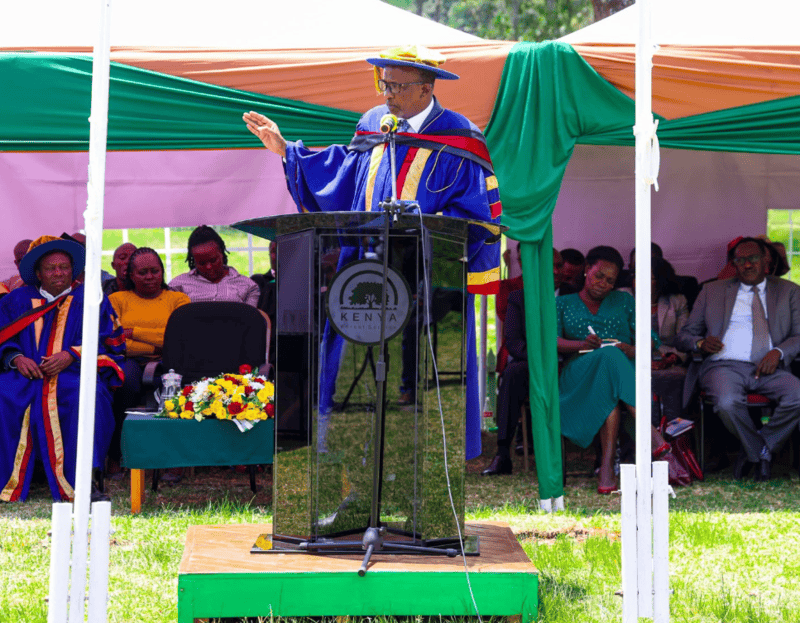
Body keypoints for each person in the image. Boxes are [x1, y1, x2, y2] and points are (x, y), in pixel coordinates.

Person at [243, 45, 501, 458]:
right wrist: (287, 151)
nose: (387, 94)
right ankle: (352, 468)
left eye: (397, 85)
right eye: (383, 83)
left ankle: (421, 465)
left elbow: (475, 217)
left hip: (429, 287)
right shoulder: (373, 123)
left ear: (426, 88)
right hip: (361, 280)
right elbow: (343, 176)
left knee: (418, 381)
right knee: (350, 375)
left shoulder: (461, 137)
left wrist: (416, 226)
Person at [0, 235, 124, 502]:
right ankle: (7, 480)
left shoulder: (92, 300)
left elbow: (111, 344)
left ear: (74, 269)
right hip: (23, 375)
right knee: (3, 394)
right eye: (50, 268)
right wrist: (17, 358)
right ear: (38, 273)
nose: (58, 273)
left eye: (64, 267)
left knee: (86, 396)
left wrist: (72, 355)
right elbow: (2, 337)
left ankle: (83, 481)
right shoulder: (16, 300)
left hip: (73, 374)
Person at [676, 237, 800, 481]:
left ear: (766, 261)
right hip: (723, 366)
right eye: (740, 260)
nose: (747, 265)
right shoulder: (712, 290)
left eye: (753, 258)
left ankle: (756, 450)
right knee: (727, 403)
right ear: (734, 264)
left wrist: (778, 352)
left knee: (797, 396)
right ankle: (761, 452)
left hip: (770, 366)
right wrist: (700, 343)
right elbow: (685, 335)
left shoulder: (789, 291)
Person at [556, 246, 674, 493]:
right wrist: (581, 344)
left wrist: (632, 349)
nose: (604, 284)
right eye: (599, 276)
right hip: (578, 372)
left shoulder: (624, 300)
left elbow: (651, 339)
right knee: (608, 355)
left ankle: (607, 466)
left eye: (610, 281)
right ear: (587, 270)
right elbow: (550, 341)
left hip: (620, 373)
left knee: (608, 381)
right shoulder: (563, 303)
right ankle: (651, 434)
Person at [108, 248, 190, 474]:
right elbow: (115, 341)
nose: (150, 277)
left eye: (155, 271)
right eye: (142, 272)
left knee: (173, 390)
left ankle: (171, 461)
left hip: (171, 361)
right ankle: (117, 455)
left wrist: (133, 332)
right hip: (129, 361)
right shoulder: (117, 300)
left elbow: (179, 338)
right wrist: (158, 341)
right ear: (130, 275)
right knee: (123, 383)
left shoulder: (178, 299)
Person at [169, 226, 259, 306]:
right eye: (202, 263)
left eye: (213, 260)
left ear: (222, 254)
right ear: (194, 261)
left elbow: (250, 320)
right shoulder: (177, 285)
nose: (209, 267)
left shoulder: (248, 286)